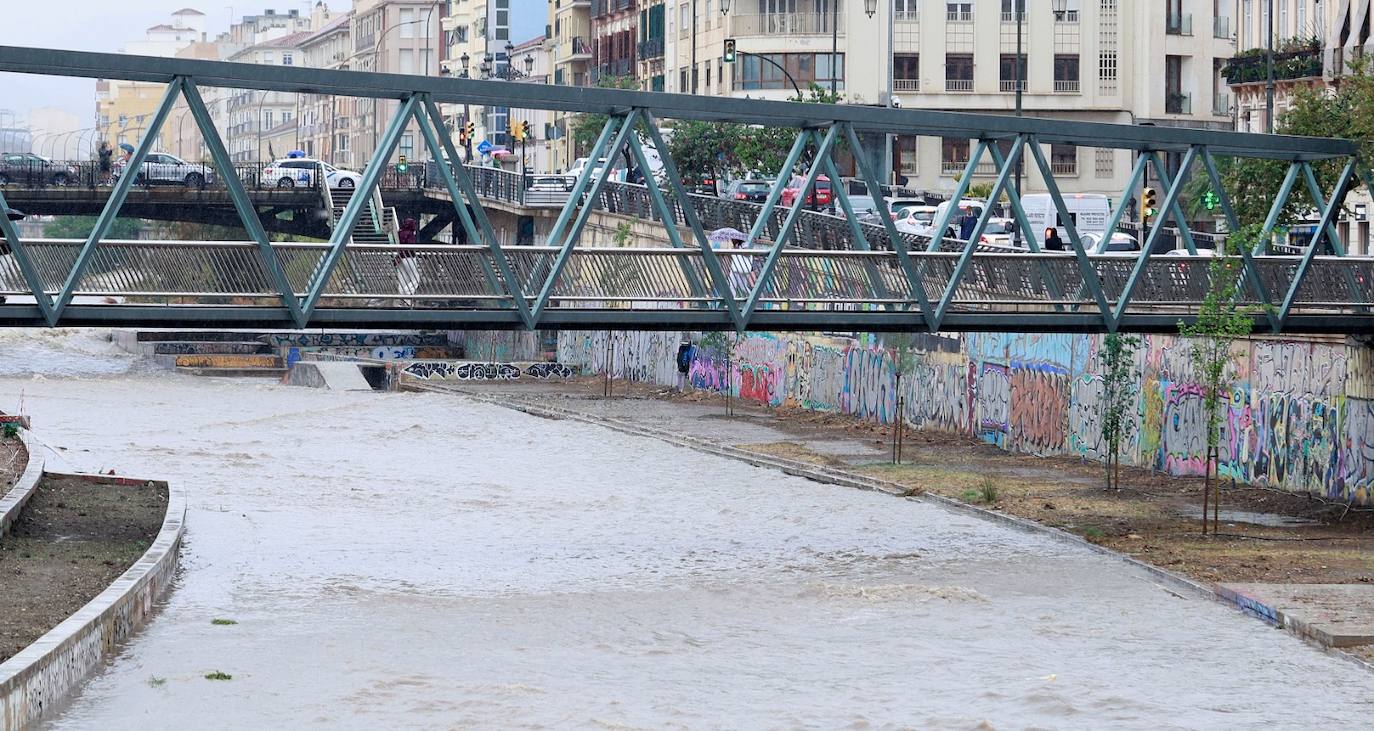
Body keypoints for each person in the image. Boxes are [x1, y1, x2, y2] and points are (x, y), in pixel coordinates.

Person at [396, 218, 420, 303]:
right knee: (415, 279)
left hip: (400, 257)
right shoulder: (410, 234)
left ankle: (401, 298)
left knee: (403, 279)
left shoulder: (399, 233)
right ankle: (406, 294)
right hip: (409, 257)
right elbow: (410, 246)